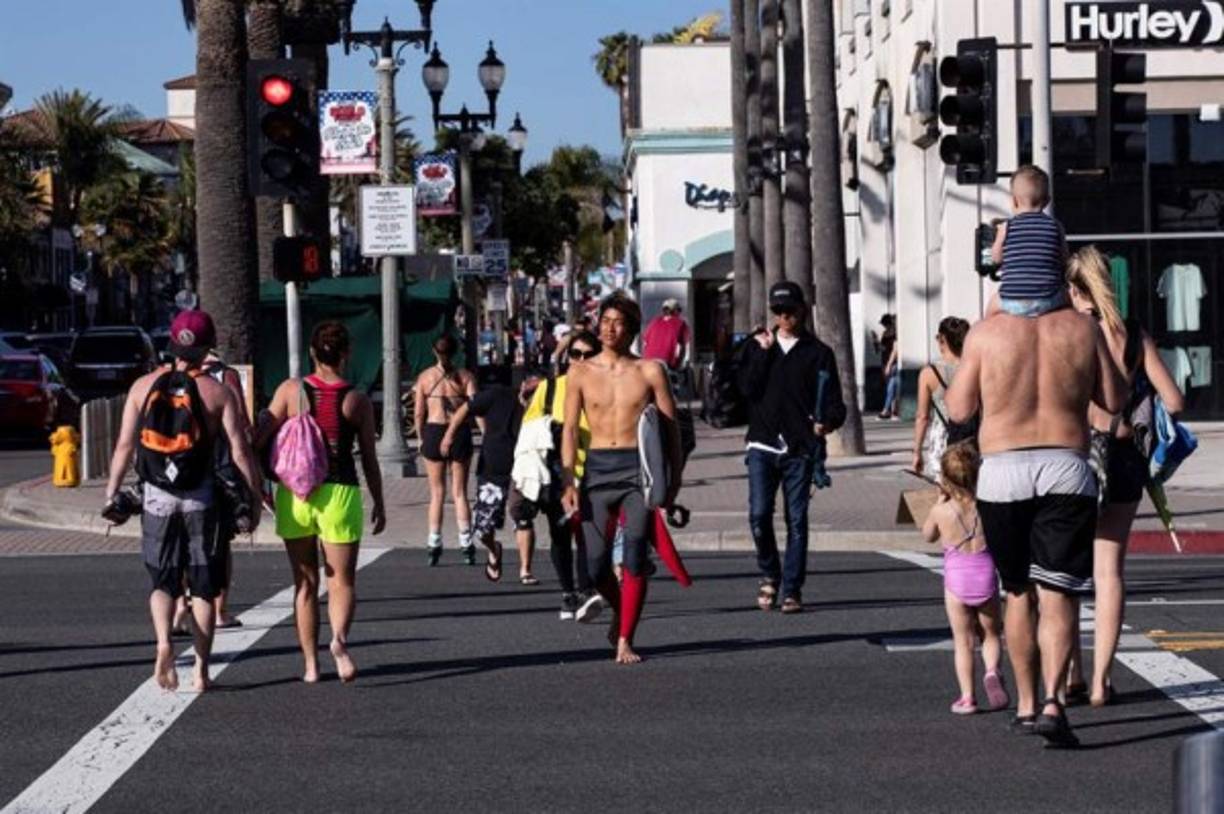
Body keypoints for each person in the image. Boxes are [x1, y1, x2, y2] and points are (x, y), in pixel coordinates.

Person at [945, 293, 1126, 747]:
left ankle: (1026, 706)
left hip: (1003, 469)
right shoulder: (1082, 328)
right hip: (1065, 464)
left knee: (1017, 592)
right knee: (1058, 591)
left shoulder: (987, 333)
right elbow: (1114, 398)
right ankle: (1053, 703)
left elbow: (959, 408)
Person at [103, 310, 262, 693]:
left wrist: (111, 493)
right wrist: (254, 498)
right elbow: (240, 451)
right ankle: (201, 671)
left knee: (163, 583)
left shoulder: (143, 386)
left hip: (156, 497)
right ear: (208, 348)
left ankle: (163, 644)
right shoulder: (217, 392)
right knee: (204, 589)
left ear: (172, 345)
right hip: (200, 499)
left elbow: (124, 445)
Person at [1062, 246, 1184, 707]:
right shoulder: (1133, 334)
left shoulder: (1069, 331)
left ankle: (1072, 672)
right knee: (1109, 571)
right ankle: (1102, 681)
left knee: (1067, 569)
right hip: (1125, 457)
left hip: (1078, 457)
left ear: (1075, 290)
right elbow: (1174, 401)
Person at [259, 322, 386, 683]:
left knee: (305, 584)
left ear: (313, 353)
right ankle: (339, 640)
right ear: (346, 354)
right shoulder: (356, 400)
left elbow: (260, 435)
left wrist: (258, 480)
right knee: (341, 581)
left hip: (296, 494)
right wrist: (379, 500)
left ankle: (310, 666)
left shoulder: (290, 390)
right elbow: (369, 458)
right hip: (340, 493)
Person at [561, 292, 682, 664]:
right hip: (597, 470)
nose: (609, 328)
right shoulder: (580, 372)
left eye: (618, 322)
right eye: (605, 321)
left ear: (631, 329)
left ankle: (626, 638)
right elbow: (569, 429)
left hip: (636, 471)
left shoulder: (650, 371)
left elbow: (672, 430)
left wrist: (673, 481)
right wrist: (568, 480)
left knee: (633, 557)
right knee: (596, 564)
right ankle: (620, 611)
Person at [738, 281, 846, 614]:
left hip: (800, 448)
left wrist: (827, 423)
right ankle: (770, 573)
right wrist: (762, 353)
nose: (784, 317)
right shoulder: (758, 346)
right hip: (762, 444)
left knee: (796, 520)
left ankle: (792, 589)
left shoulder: (819, 352)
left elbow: (836, 404)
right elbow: (746, 390)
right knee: (758, 515)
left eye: (790, 311)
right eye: (778, 311)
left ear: (803, 310)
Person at [515, 331, 599, 619]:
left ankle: (587, 590)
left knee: (589, 533)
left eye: (588, 355)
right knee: (560, 535)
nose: (581, 360)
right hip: (557, 472)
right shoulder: (549, 388)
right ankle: (568, 593)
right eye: (575, 354)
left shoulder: (604, 389)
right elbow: (528, 431)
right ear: (567, 357)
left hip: (594, 469)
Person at [921, 443, 1009, 715]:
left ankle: (968, 697)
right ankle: (992, 671)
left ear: (945, 479)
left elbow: (928, 535)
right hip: (985, 575)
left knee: (963, 642)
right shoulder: (987, 507)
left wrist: (938, 501)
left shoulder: (942, 511)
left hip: (956, 583)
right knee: (991, 634)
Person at [441, 375, 536, 584]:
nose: (531, 396)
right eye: (529, 390)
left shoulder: (541, 408)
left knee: (522, 517)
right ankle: (494, 550)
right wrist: (449, 435)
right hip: (492, 470)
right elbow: (466, 408)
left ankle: (525, 570)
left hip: (522, 469)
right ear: (522, 386)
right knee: (483, 528)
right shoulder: (497, 395)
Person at [413, 335, 477, 565]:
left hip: (433, 430)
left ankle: (434, 542)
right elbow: (475, 407)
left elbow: (418, 413)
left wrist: (420, 438)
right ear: (455, 351)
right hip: (459, 433)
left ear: (434, 351)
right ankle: (466, 543)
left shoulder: (425, 377)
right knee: (460, 492)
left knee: (437, 493)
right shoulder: (466, 377)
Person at [988, 164, 1070, 318]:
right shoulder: (1055, 226)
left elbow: (996, 259)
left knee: (991, 308)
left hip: (1012, 301)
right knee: (1069, 298)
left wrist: (998, 241)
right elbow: (1065, 259)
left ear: (1014, 201)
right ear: (1047, 201)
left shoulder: (1007, 227)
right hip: (1049, 299)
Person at [911, 317, 972, 478]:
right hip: (972, 437)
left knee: (943, 487)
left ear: (942, 340)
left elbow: (922, 417)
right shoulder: (974, 368)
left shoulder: (929, 373)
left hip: (942, 438)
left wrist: (917, 451)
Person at [642, 298, 692, 372]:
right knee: (687, 372)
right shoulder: (681, 323)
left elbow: (645, 343)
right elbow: (684, 348)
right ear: (675, 311)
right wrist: (678, 365)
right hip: (666, 364)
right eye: (679, 310)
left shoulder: (654, 321)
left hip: (648, 362)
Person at [876, 314, 900, 420]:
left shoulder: (895, 334)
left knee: (891, 386)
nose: (884, 326)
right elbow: (880, 349)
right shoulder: (885, 333)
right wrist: (876, 343)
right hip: (885, 362)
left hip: (892, 363)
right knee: (890, 387)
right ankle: (893, 411)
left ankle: (887, 410)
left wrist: (889, 365)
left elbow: (895, 350)